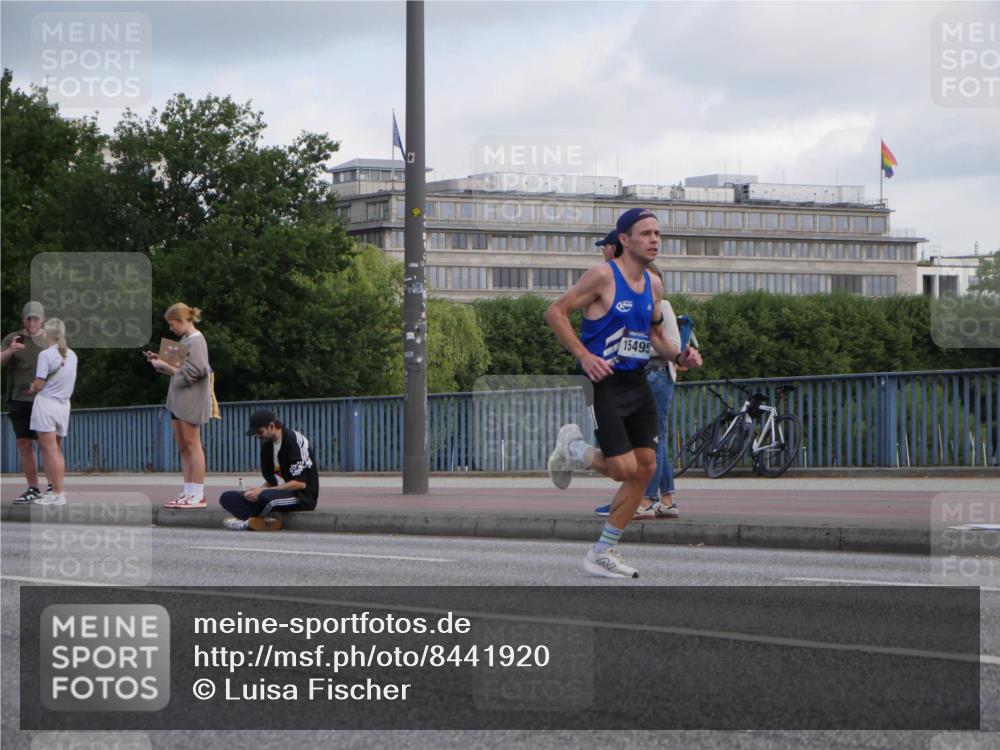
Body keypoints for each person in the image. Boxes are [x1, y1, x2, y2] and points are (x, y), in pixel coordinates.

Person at [545, 208, 703, 578]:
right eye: (646, 233)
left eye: (658, 234)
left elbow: (654, 338)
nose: (654, 240)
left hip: (636, 380)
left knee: (645, 469)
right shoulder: (602, 276)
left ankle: (602, 551)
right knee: (622, 470)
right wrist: (583, 356)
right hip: (605, 382)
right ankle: (573, 450)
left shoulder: (654, 284)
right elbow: (556, 312)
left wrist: (681, 355)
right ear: (624, 239)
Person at [595, 268, 682, 519]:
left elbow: (671, 345)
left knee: (651, 440)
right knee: (657, 438)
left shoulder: (661, 306)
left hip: (655, 373)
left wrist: (636, 347)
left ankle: (645, 498)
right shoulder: (638, 306)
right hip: (646, 374)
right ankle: (665, 499)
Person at [145, 303, 213, 509]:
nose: (170, 328)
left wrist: (166, 366)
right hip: (178, 400)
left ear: (182, 321)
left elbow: (197, 371)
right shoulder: (184, 340)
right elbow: (176, 368)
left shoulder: (197, 341)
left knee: (193, 445)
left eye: (171, 324)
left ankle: (198, 494)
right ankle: (188, 490)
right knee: (183, 446)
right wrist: (161, 361)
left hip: (191, 400)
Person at [219, 410, 319, 531]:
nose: (258, 436)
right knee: (227, 497)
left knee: (266, 498)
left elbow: (300, 483)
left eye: (260, 432)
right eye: (255, 433)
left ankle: (246, 521)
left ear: (272, 426)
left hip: (301, 496)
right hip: (275, 492)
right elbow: (271, 480)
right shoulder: (267, 447)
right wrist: (255, 491)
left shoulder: (294, 441)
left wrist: (262, 491)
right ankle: (255, 521)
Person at [28, 318, 78, 506]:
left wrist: (32, 387)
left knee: (48, 451)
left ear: (46, 335)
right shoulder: (71, 354)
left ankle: (57, 492)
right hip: (64, 405)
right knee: (56, 450)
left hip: (47, 404)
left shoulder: (46, 355)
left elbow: (39, 383)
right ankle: (57, 490)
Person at [2, 301, 48, 503]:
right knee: (23, 443)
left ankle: (54, 485)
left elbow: (63, 365)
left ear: (42, 320)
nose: (32, 322)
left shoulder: (50, 340)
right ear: (23, 319)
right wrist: (10, 350)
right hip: (18, 398)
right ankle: (32, 488)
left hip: (44, 400)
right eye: (28, 318)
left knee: (48, 445)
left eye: (36, 318)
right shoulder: (13, 338)